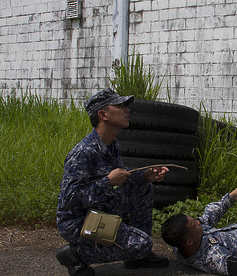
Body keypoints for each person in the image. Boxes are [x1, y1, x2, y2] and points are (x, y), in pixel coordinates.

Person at [55, 88, 170, 276]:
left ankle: (137, 257)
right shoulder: (83, 152)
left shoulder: (112, 145)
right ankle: (76, 255)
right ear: (103, 115)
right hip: (79, 221)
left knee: (143, 188)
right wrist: (108, 182)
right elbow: (69, 199)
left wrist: (145, 176)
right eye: (119, 106)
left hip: (100, 209)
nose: (127, 110)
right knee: (142, 244)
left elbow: (120, 177)